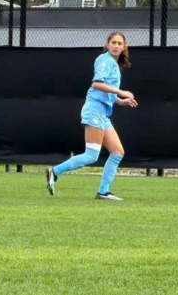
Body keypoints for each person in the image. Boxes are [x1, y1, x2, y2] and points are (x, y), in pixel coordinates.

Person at [45, 31, 138, 201]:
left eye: (120, 43)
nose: (116, 46)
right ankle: (55, 171)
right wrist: (121, 92)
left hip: (102, 112)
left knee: (117, 152)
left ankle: (103, 192)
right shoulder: (104, 60)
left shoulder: (113, 64)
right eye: (113, 42)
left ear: (124, 47)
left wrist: (120, 101)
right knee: (92, 155)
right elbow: (97, 84)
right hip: (94, 109)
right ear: (107, 45)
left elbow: (106, 91)